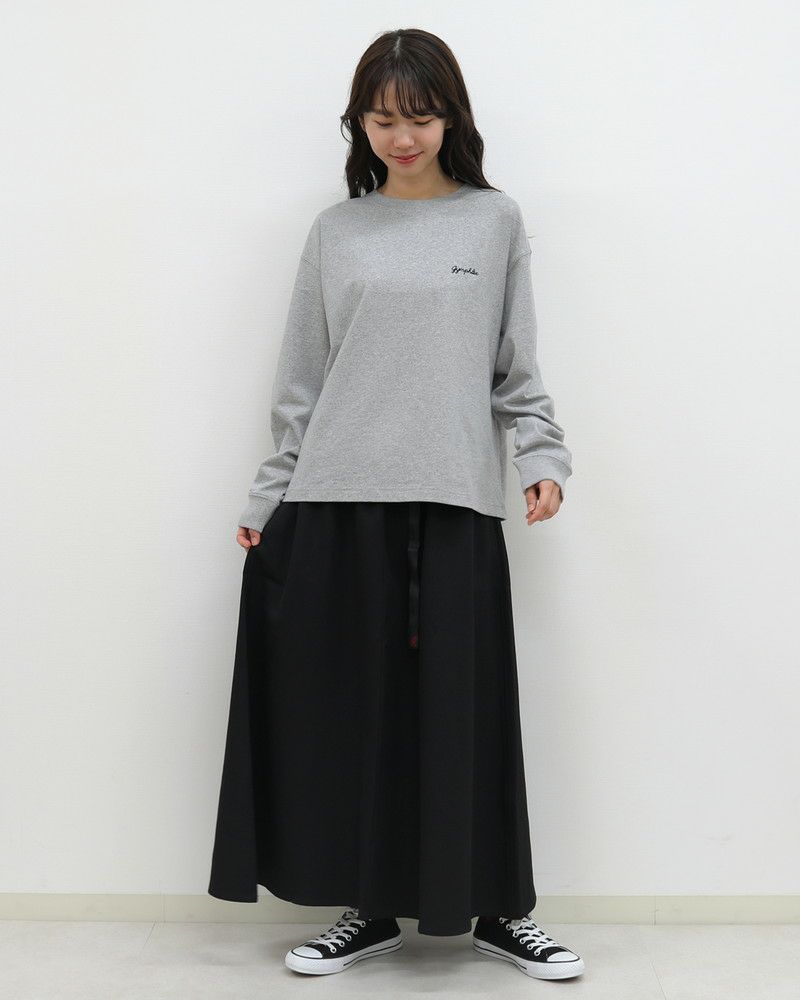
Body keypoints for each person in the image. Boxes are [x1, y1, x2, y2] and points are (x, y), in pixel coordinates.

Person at [208, 27, 584, 982]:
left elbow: (517, 369)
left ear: (450, 117)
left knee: (468, 713)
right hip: (336, 500)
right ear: (360, 124)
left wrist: (542, 458)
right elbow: (302, 382)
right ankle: (367, 909)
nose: (401, 137)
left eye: (419, 117)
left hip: (455, 499)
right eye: (381, 119)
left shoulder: (493, 221)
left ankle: (499, 910)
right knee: (356, 718)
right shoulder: (337, 233)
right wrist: (269, 492)